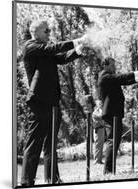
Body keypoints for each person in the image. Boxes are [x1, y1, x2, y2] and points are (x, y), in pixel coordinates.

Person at [21, 20, 89, 186]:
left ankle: (53, 179)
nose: (49, 33)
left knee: (51, 144)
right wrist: (76, 41)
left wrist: (77, 50)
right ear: (35, 32)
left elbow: (62, 57)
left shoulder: (44, 49)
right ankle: (26, 181)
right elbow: (52, 48)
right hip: (38, 102)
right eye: (47, 30)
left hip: (52, 101)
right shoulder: (31, 46)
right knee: (34, 142)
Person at [98, 57, 138, 174]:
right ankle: (108, 172)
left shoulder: (109, 77)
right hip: (111, 113)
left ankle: (110, 171)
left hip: (115, 113)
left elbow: (124, 81)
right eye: (112, 65)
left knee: (115, 142)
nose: (114, 67)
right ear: (105, 65)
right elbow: (120, 78)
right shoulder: (104, 75)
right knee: (112, 141)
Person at [92, 100, 107, 164]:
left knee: (101, 145)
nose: (101, 105)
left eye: (102, 103)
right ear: (97, 105)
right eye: (100, 104)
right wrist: (101, 110)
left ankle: (100, 160)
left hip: (102, 129)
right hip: (97, 130)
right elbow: (101, 116)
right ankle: (96, 160)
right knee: (97, 145)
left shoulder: (101, 111)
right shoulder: (95, 112)